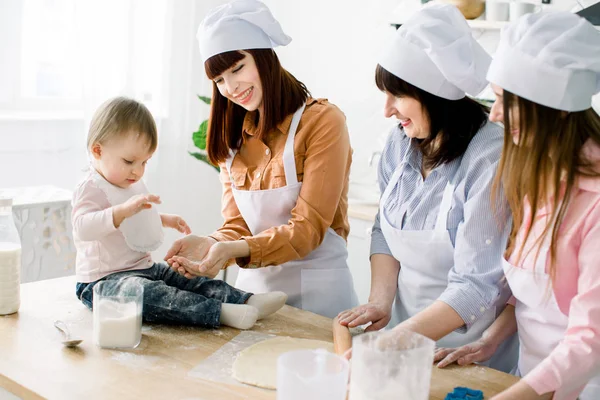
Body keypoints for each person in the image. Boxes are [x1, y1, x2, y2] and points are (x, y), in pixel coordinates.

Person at [336, 4, 517, 372]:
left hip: (472, 354)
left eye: (397, 96)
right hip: (401, 340)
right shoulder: (399, 142)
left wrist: (398, 340)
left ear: (434, 96)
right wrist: (381, 302)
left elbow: (476, 286)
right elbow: (383, 229)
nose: (387, 110)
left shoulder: (490, 158)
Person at [433, 11, 600, 400]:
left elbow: (590, 337)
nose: (493, 115)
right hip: (530, 380)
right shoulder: (539, 173)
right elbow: (532, 286)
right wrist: (490, 341)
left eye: (507, 101)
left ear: (555, 109)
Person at [164, 0, 358, 319]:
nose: (231, 88)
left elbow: (308, 228)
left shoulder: (323, 122)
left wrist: (236, 250)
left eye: (238, 68)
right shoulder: (232, 137)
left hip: (319, 299)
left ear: (265, 58)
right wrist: (211, 243)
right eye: (219, 80)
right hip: (254, 297)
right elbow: (238, 224)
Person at [73, 96, 287, 330]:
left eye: (144, 162)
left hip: (143, 268)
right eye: (129, 161)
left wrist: (164, 219)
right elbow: (83, 228)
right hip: (102, 283)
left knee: (185, 277)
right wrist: (120, 212)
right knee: (157, 295)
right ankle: (221, 312)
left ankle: (245, 299)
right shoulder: (90, 188)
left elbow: (138, 219)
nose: (137, 171)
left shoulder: (127, 182)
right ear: (97, 150)